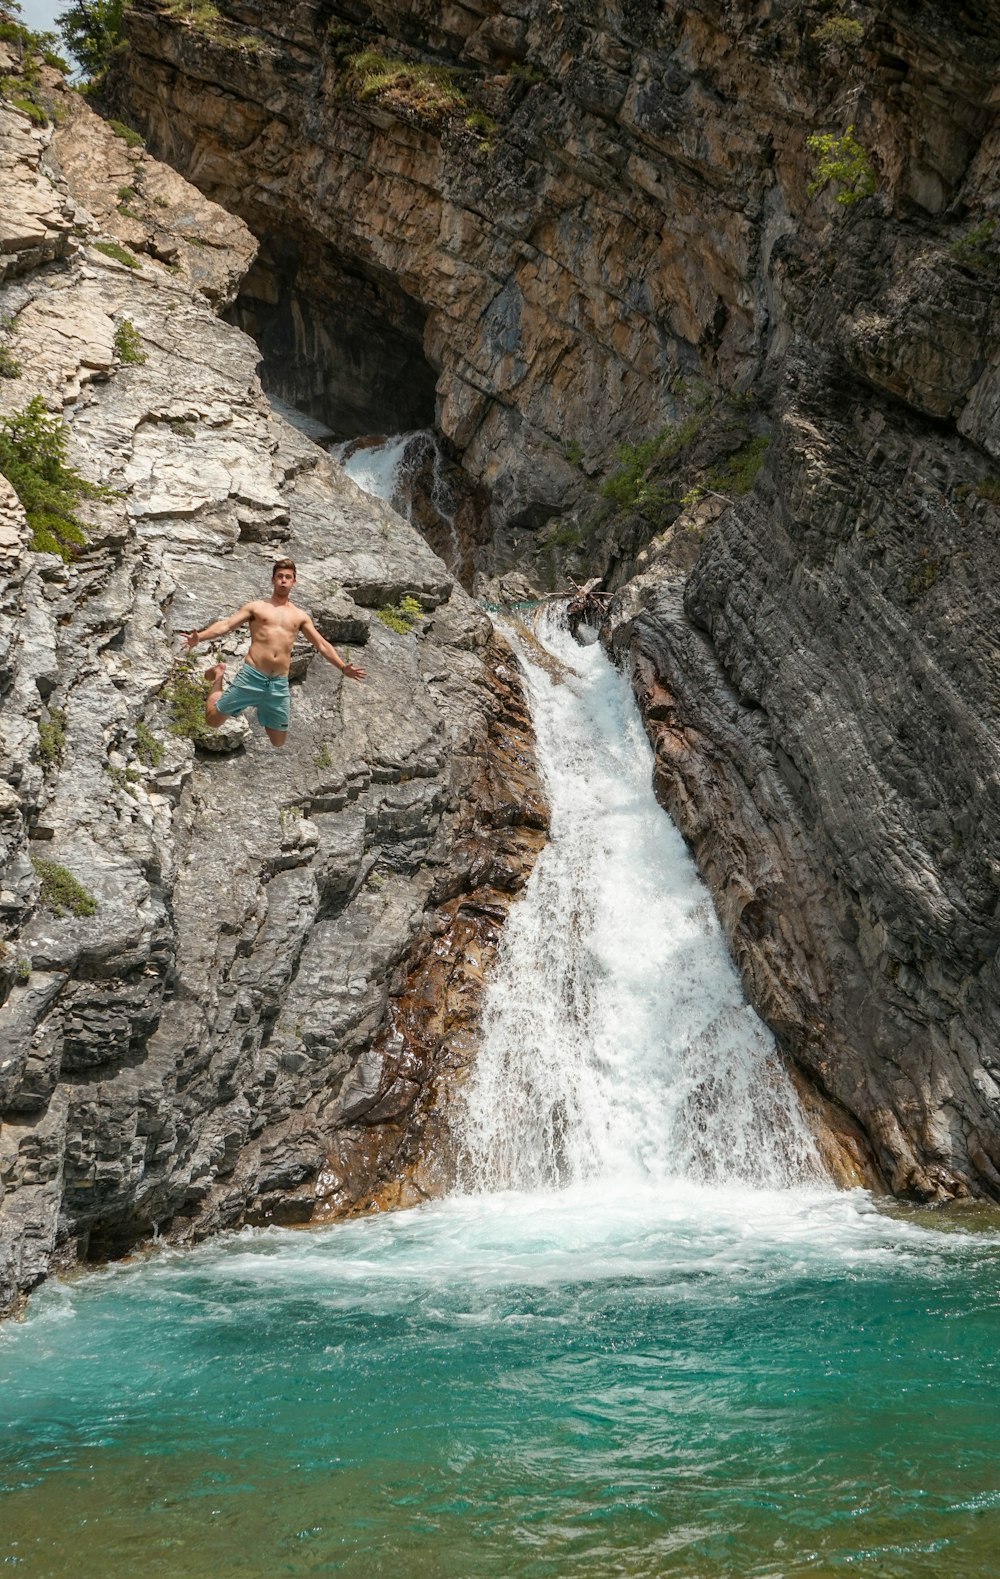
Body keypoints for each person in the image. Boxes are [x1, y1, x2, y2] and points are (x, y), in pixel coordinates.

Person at [182, 558, 366, 748]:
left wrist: (342, 667)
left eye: (288, 577)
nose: (283, 580)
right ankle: (219, 675)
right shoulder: (256, 607)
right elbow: (226, 625)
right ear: (273, 580)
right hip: (251, 677)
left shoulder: (300, 616)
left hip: (278, 684)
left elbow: (321, 644)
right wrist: (200, 637)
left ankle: (261, 704)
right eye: (279, 576)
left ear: (294, 581)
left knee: (278, 741)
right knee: (212, 721)